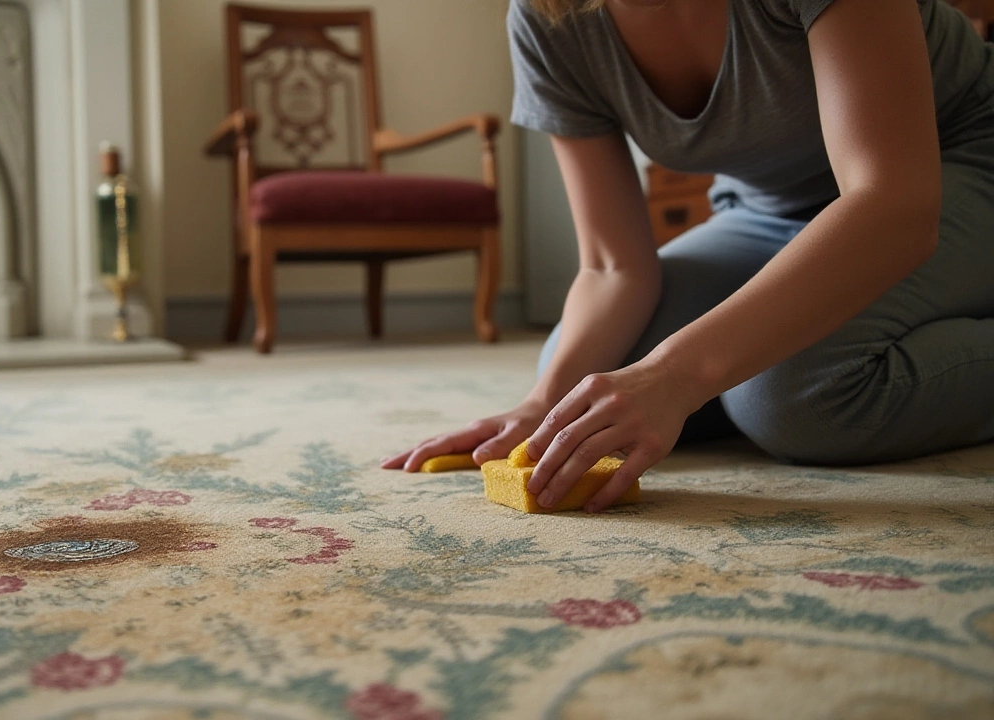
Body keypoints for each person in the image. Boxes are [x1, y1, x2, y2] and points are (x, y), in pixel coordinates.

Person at [383, 0, 994, 512]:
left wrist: (679, 377)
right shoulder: (549, 17)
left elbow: (895, 205)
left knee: (791, 396)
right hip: (769, 211)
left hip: (955, 167)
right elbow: (612, 266)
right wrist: (544, 402)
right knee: (594, 373)